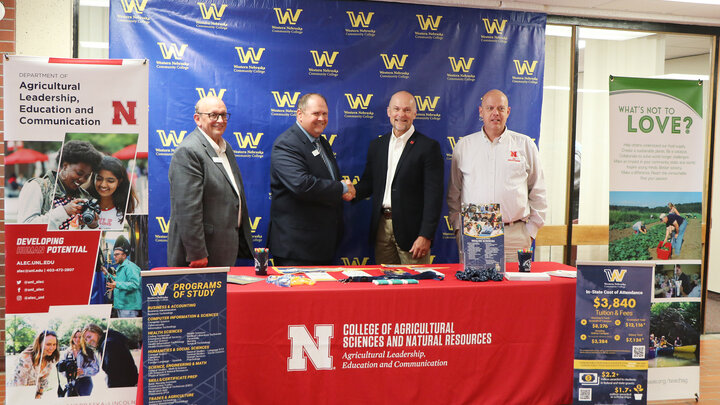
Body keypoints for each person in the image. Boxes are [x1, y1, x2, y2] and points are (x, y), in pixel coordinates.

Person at [447, 89, 547, 263]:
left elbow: (538, 191)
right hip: (474, 231)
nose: (495, 113)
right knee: (474, 289)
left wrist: (530, 232)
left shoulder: (525, 145)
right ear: (481, 111)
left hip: (515, 234)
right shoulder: (464, 146)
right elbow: (454, 193)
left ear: (508, 112)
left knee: (515, 290)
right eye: (490, 108)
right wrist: (459, 228)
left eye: (501, 108)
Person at [354, 91, 444, 264]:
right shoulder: (377, 145)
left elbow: (434, 196)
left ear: (415, 114)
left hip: (413, 233)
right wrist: (349, 191)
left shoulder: (428, 147)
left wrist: (425, 235)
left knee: (416, 288)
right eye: (396, 109)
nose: (401, 115)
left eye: (407, 110)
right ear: (388, 111)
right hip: (381, 228)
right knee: (385, 284)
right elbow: (368, 184)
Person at [268, 93, 354, 266]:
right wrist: (342, 188)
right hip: (297, 248)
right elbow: (302, 185)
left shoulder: (322, 142)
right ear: (300, 114)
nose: (321, 118)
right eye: (316, 113)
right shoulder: (286, 144)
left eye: (325, 114)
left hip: (322, 244)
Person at [167, 95, 253, 267]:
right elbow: (187, 208)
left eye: (223, 115)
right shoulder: (189, 151)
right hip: (201, 256)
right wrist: (197, 253)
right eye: (213, 115)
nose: (220, 120)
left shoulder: (225, 147)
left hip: (223, 249)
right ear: (197, 119)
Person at [16, 140, 103, 229]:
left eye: (87, 176)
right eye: (79, 173)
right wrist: (64, 211)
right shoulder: (38, 186)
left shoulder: (84, 196)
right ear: (65, 166)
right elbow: (25, 227)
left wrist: (92, 225)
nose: (82, 180)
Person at [87, 155, 138, 229]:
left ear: (119, 182)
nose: (103, 185)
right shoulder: (84, 203)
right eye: (99, 179)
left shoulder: (130, 208)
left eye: (110, 181)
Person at [82, 323, 138, 388]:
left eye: (89, 337)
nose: (88, 341)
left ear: (97, 332)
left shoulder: (109, 344)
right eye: (86, 339)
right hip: (129, 384)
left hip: (124, 387)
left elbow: (114, 374)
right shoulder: (109, 341)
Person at [11, 330, 60, 398]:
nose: (52, 348)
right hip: (17, 393)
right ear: (39, 344)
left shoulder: (50, 359)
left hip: (34, 393)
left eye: (54, 344)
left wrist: (39, 394)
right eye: (48, 344)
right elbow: (19, 382)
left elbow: (43, 381)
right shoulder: (26, 357)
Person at [107, 236, 142, 318]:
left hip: (129, 307)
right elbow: (119, 281)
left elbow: (134, 284)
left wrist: (117, 285)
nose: (115, 257)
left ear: (124, 255)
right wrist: (106, 274)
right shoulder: (121, 267)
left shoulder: (130, 267)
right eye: (114, 255)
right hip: (122, 306)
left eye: (117, 255)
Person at [60, 329, 99, 396]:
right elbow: (60, 369)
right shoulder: (67, 352)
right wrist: (68, 374)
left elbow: (96, 368)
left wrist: (83, 371)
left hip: (85, 382)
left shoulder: (89, 352)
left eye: (80, 337)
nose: (77, 339)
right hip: (71, 383)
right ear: (72, 338)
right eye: (75, 337)